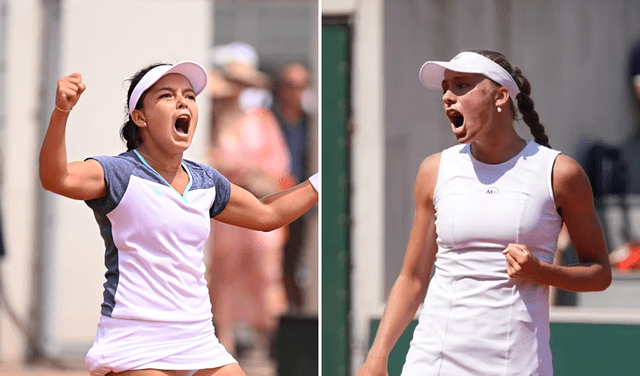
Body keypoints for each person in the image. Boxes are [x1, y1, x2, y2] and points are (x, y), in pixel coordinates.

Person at [38, 61, 318, 376]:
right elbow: (56, 177)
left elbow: (268, 214)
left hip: (196, 339)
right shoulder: (119, 173)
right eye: (167, 96)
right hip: (134, 340)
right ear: (139, 117)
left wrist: (323, 179)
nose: (182, 101)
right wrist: (61, 112)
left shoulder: (205, 181)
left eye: (189, 95)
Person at [357, 50, 611, 376]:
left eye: (462, 85)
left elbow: (600, 273)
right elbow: (413, 278)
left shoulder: (560, 174)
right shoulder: (434, 171)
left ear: (501, 96)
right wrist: (376, 357)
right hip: (432, 361)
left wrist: (541, 273)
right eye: (445, 88)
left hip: (516, 366)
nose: (448, 96)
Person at [206, 47, 294, 357]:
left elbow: (278, 163)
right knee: (224, 273)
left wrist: (253, 173)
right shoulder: (212, 121)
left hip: (257, 207)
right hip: (225, 209)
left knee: (265, 273)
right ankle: (224, 341)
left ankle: (269, 343)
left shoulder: (262, 120)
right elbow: (206, 161)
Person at [272, 62, 314, 311]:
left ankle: (295, 316)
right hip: (271, 202)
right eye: (290, 86)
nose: (295, 93)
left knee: (296, 267)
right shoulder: (269, 121)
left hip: (302, 206)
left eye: (300, 87)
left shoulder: (311, 125)